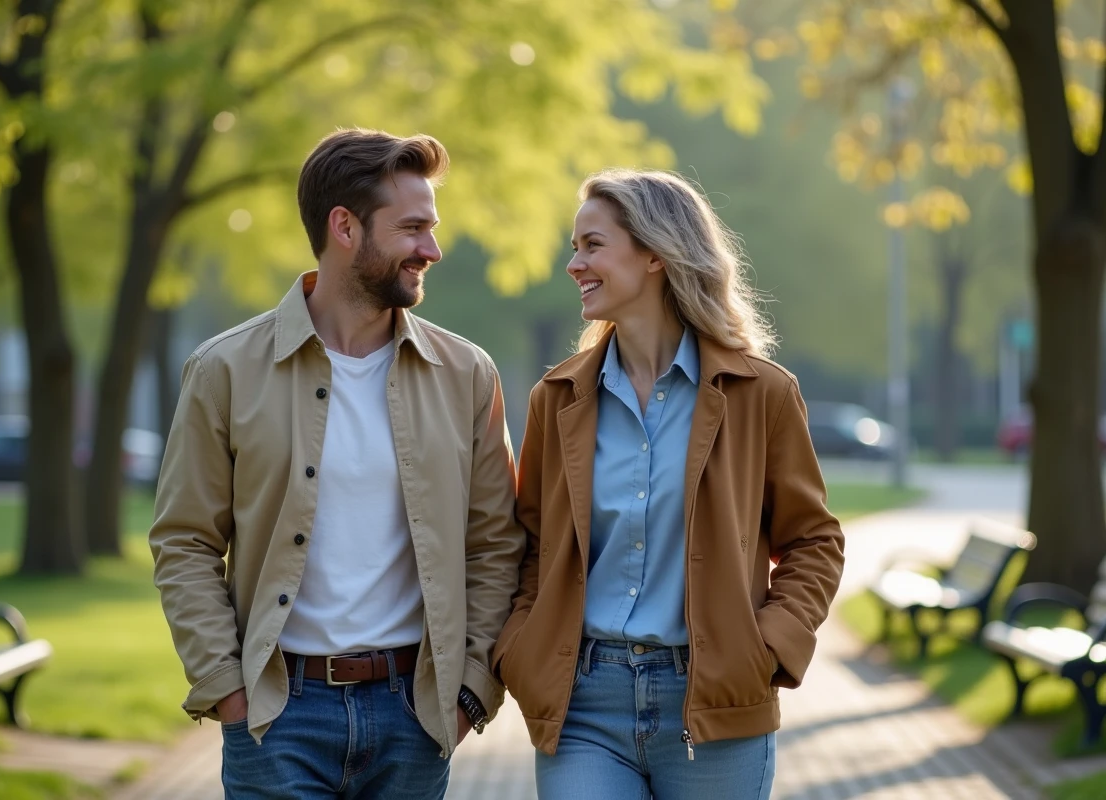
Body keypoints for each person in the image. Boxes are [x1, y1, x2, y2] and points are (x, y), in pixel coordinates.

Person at [150, 128, 523, 799]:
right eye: (412, 228)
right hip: (277, 718)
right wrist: (228, 691)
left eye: (431, 228)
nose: (431, 250)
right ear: (344, 227)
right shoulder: (225, 369)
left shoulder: (466, 373)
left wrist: (471, 692)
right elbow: (184, 541)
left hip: (415, 718)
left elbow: (497, 544)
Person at [492, 168, 845, 800]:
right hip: (584, 705)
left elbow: (814, 540)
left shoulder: (761, 393)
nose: (575, 264)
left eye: (592, 245)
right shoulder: (557, 397)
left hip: (714, 704)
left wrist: (766, 648)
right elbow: (531, 544)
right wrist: (520, 649)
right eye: (576, 247)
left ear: (655, 253)